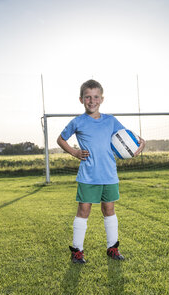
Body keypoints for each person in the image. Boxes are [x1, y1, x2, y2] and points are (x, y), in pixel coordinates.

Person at [57, 80, 145, 263]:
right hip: (88, 174)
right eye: (88, 97)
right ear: (81, 99)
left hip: (109, 174)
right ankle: (77, 251)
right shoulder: (78, 122)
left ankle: (112, 248)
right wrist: (74, 152)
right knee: (84, 209)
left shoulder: (110, 120)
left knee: (109, 209)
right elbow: (61, 139)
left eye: (96, 97)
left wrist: (141, 143)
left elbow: (128, 139)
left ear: (101, 99)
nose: (92, 100)